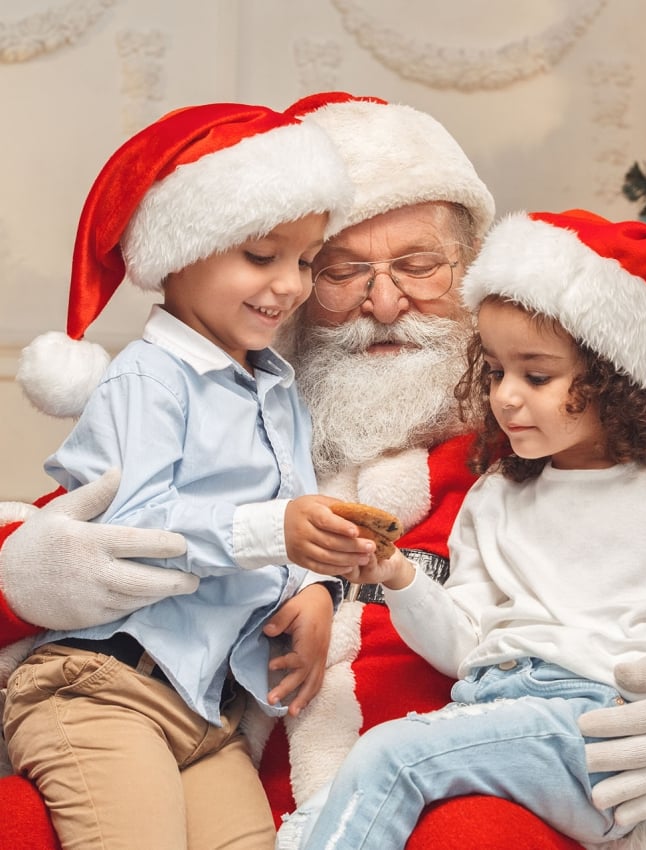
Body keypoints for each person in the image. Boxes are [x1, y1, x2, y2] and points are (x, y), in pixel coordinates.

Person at [0, 93, 646, 850]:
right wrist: (25, 575)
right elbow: (89, 521)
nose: (383, 304)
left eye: (418, 266)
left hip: (461, 797)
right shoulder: (224, 423)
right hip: (211, 762)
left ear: (473, 275)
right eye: (339, 272)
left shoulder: (532, 457)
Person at [276, 208, 646, 849]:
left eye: (537, 376)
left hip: (601, 729)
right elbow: (466, 645)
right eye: (495, 371)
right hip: (490, 709)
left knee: (390, 757)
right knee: (319, 819)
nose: (506, 397)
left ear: (618, 380)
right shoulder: (497, 494)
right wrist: (403, 579)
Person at [2, 99, 377, 850]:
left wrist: (311, 591)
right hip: (101, 688)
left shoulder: (277, 391)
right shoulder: (152, 378)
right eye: (262, 256)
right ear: (182, 251)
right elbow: (135, 536)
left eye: (306, 261)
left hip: (205, 714)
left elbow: (286, 513)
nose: (290, 285)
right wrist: (280, 533)